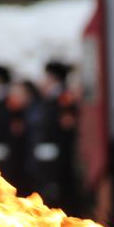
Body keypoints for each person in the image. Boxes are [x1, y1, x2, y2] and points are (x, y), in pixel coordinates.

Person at [32, 61, 79, 212]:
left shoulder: (64, 98)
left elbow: (65, 129)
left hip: (58, 160)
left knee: (58, 198)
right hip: (46, 158)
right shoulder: (49, 100)